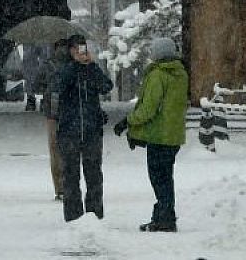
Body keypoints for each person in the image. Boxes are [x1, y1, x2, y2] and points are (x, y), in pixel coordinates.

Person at [112, 37, 189, 232]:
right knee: (166, 178)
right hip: (173, 135)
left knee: (158, 179)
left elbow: (148, 109)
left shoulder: (158, 75)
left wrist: (128, 121)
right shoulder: (181, 74)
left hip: (159, 136)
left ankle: (164, 219)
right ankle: (166, 216)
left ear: (158, 54)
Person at [56, 34, 113, 222]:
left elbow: (106, 86)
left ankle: (95, 213)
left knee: (94, 174)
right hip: (69, 129)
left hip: (91, 129)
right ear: (70, 50)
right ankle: (73, 216)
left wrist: (91, 67)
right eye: (76, 49)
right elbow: (59, 85)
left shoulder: (92, 70)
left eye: (82, 49)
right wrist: (76, 66)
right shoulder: (64, 68)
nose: (79, 52)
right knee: (71, 175)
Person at [20, 0, 70, 111]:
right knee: (31, 65)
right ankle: (32, 96)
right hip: (31, 35)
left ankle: (44, 96)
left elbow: (65, 15)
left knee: (45, 65)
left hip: (48, 36)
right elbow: (18, 13)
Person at [33, 37, 70, 200]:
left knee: (55, 150)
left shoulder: (48, 65)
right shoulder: (75, 65)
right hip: (72, 111)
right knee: (70, 149)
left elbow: (36, 86)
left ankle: (60, 187)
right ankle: (69, 184)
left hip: (52, 111)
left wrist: (49, 88)